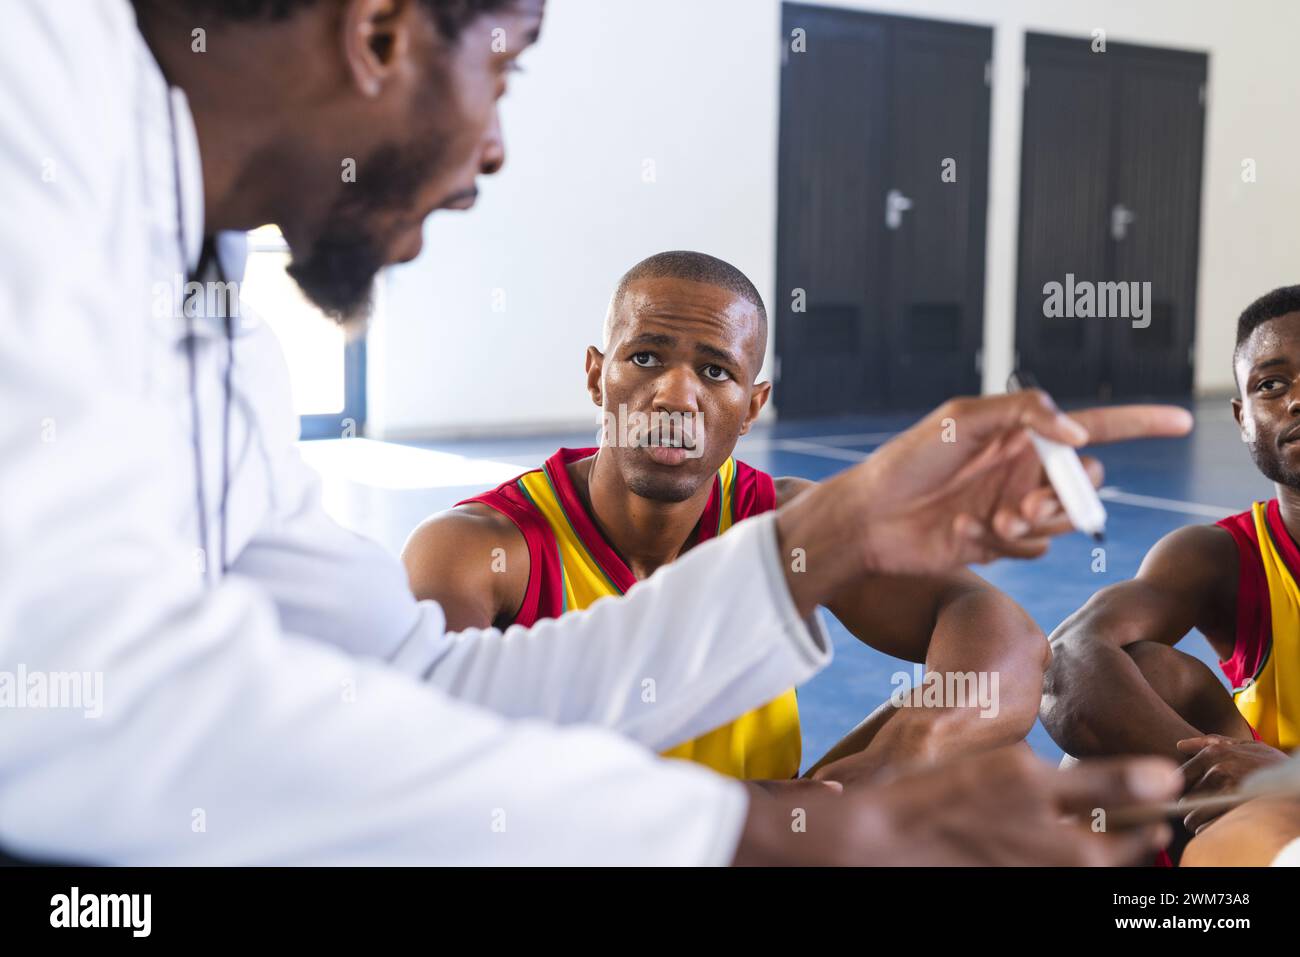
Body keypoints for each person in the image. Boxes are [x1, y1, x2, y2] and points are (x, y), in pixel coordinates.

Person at [0, 0, 1190, 864]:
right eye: (506, 67)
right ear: (378, 34)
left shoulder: (201, 295)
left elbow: (413, 686)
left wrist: (830, 532)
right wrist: (758, 835)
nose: (498, 148)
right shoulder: (34, 123)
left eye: (716, 368)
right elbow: (85, 706)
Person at [404, 250, 1048, 784]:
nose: (676, 395)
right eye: (646, 358)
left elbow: (1007, 638)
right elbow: (430, 772)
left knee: (994, 762)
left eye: (714, 371)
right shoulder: (476, 550)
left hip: (759, 846)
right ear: (597, 377)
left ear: (751, 407)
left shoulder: (783, 522)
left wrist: (880, 772)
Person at [1041, 286, 1300, 863]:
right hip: (1259, 835)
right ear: (1243, 418)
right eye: (1271, 384)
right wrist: (1250, 789)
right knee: (1142, 675)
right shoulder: (1219, 556)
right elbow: (1065, 665)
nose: (1295, 400)